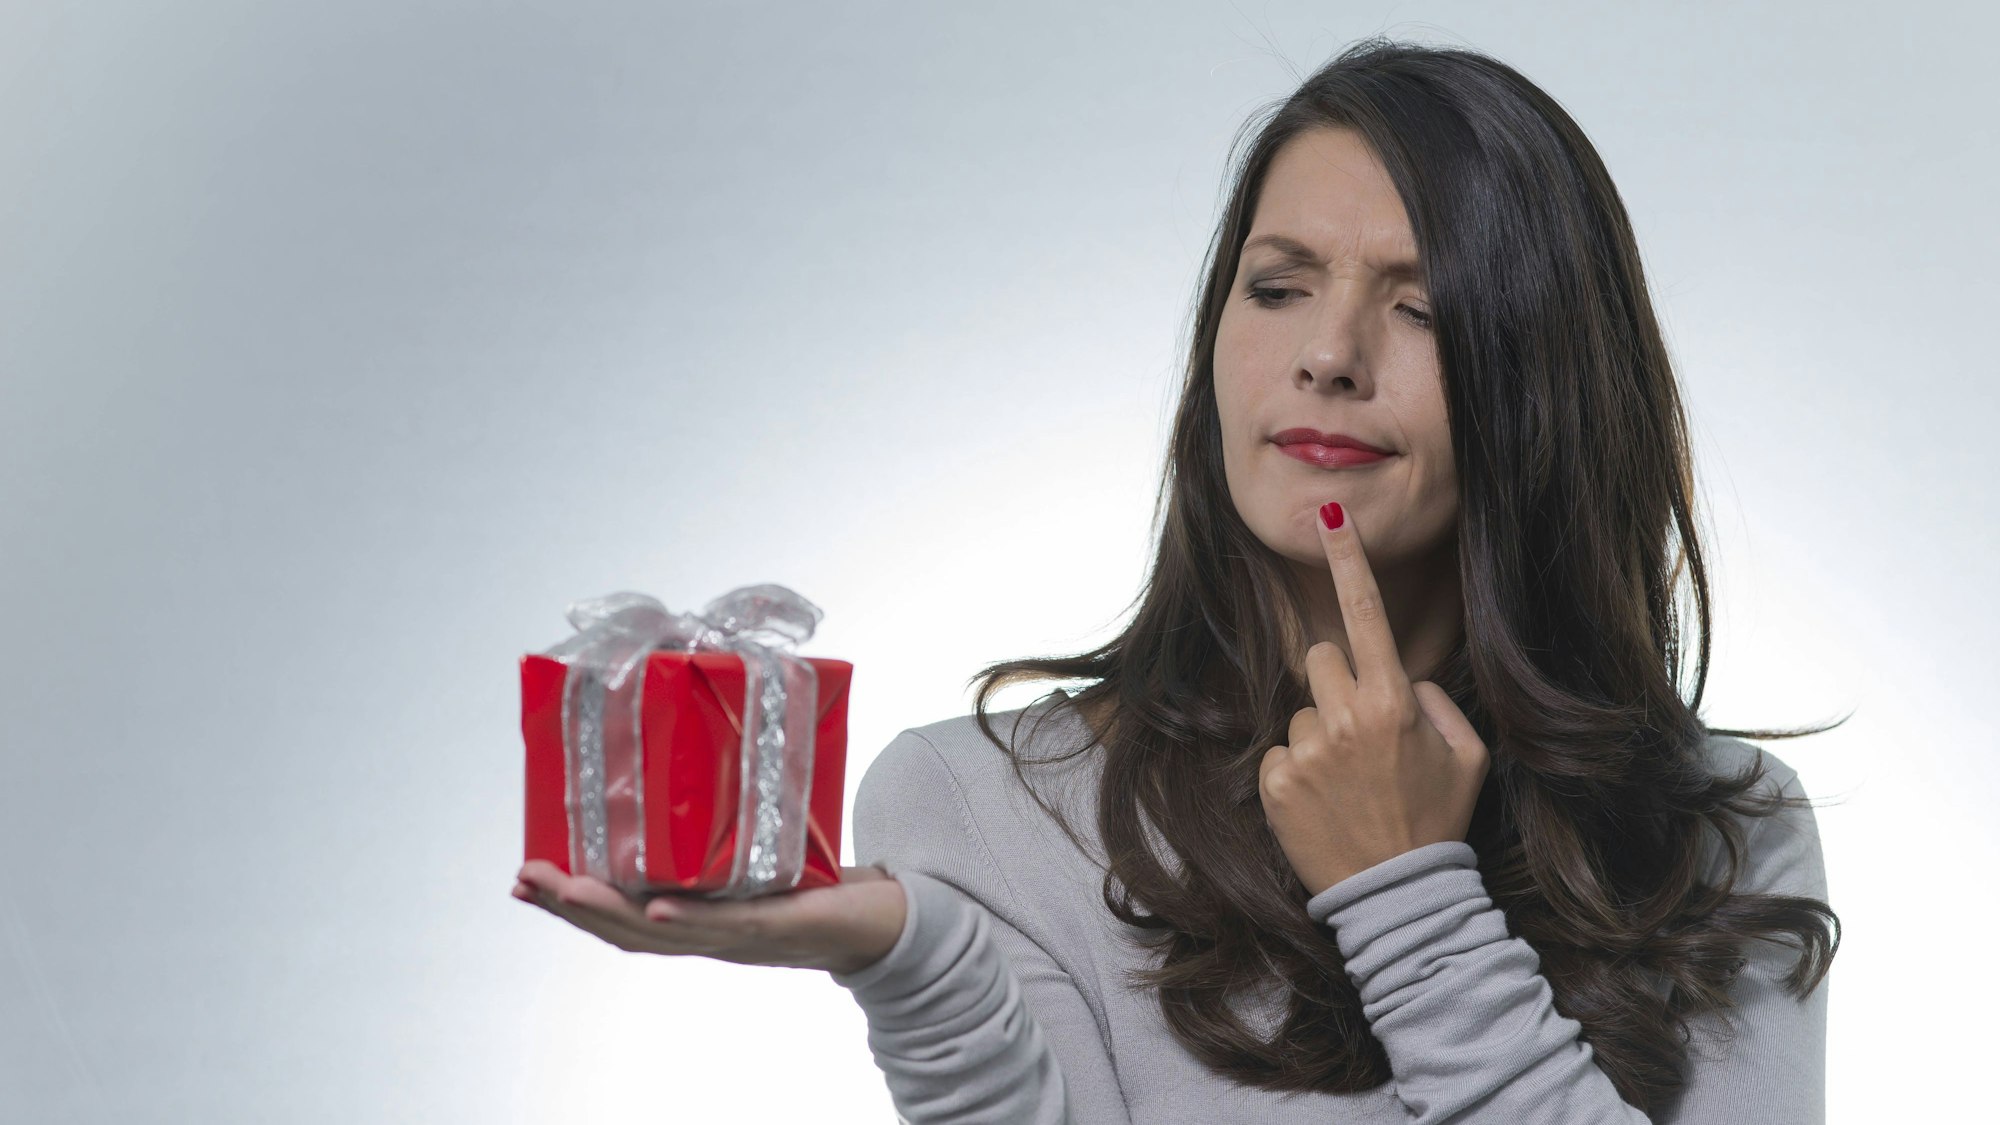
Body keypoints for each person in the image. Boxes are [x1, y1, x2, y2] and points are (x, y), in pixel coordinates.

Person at [513, 36, 1841, 1124]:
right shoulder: (983, 808)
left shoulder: (1718, 831)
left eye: (1420, 308)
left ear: (1545, 387)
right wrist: (917, 961)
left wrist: (1406, 886)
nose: (1328, 353)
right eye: (1277, 287)